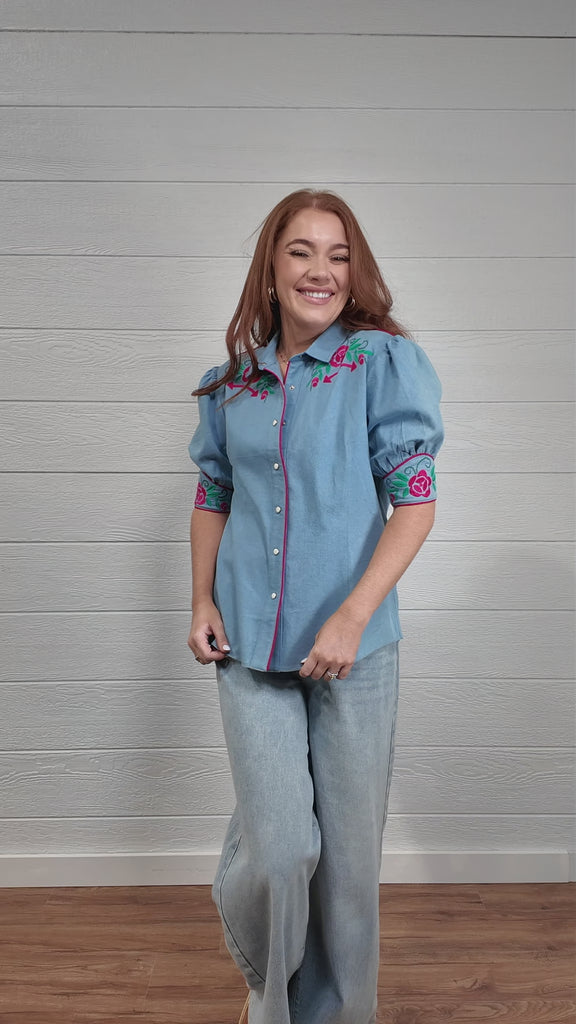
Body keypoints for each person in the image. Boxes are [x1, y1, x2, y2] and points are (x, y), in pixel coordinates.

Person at [187, 189, 444, 1024]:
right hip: (248, 647)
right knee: (282, 849)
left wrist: (352, 616)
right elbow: (214, 492)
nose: (320, 271)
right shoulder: (232, 385)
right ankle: (271, 998)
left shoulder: (380, 364)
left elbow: (415, 503)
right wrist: (200, 598)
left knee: (348, 867)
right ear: (272, 266)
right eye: (301, 251)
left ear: (353, 271)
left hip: (354, 652)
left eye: (338, 255)